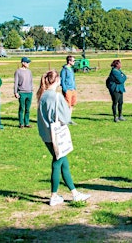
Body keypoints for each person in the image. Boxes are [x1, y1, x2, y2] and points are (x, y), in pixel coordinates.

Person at [36, 70, 91, 206]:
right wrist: (69, 110)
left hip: (45, 134)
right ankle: (54, 195)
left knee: (63, 163)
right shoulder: (56, 96)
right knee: (57, 162)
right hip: (56, 135)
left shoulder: (42, 95)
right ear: (56, 81)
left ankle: (74, 193)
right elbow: (66, 118)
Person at [14, 57, 34, 128]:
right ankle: (21, 123)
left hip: (29, 92)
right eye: (27, 62)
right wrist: (15, 92)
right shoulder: (18, 71)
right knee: (22, 108)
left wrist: (32, 89)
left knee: (27, 109)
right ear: (23, 63)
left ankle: (27, 123)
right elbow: (16, 82)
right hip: (22, 92)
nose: (28, 64)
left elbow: (31, 81)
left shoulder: (29, 71)